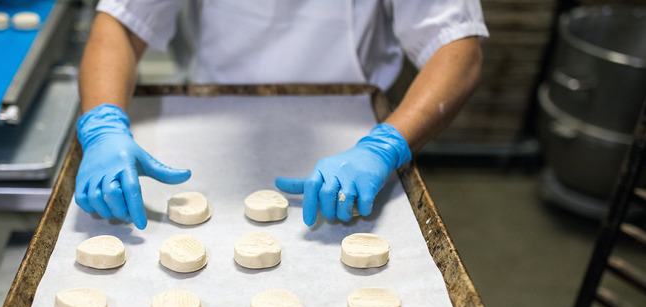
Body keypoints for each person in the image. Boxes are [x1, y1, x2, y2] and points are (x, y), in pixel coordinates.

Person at [75, 0, 488, 229]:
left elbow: (456, 48)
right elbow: (121, 25)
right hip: (207, 112)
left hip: (355, 138)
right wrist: (103, 125)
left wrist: (386, 146)